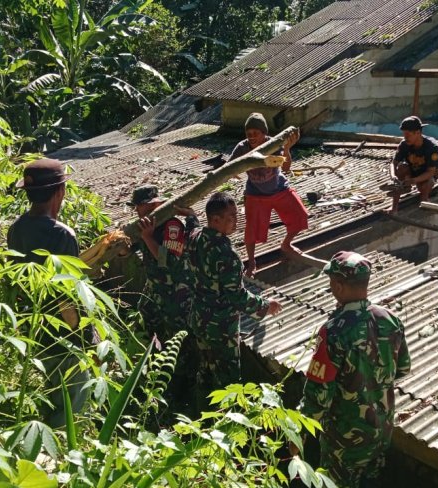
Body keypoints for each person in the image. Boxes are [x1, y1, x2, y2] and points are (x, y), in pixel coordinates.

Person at [298, 251, 411, 487]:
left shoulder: (334, 331)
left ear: (338, 285)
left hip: (345, 439)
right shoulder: (390, 320)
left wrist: (297, 432)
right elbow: (402, 369)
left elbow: (318, 396)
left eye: (331, 282)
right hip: (381, 430)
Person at [7, 158, 91, 428]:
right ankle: (60, 461)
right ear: (60, 192)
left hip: (34, 329)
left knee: (50, 394)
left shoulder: (16, 229)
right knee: (71, 408)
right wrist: (82, 334)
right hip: (64, 334)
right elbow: (66, 293)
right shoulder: (63, 235)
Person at [186, 192, 283, 400]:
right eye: (230, 217)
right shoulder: (226, 255)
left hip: (199, 320)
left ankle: (198, 416)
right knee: (228, 382)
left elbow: (192, 227)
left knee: (205, 370)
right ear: (215, 220)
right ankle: (226, 423)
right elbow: (237, 297)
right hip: (221, 328)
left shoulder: (195, 239)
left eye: (236, 216)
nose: (236, 222)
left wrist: (190, 216)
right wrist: (266, 305)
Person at [228, 112, 307, 277]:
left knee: (300, 216)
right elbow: (229, 167)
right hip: (255, 194)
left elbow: (285, 168)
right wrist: (233, 171)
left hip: (279, 189)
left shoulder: (274, 144)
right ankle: (251, 263)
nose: (252, 137)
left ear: (264, 133)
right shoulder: (242, 148)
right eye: (249, 134)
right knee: (251, 231)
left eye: (255, 133)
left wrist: (286, 149)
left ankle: (286, 244)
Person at [130, 185, 199, 341]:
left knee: (176, 336)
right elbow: (129, 248)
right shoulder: (145, 224)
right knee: (149, 322)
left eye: (140, 206)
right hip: (154, 288)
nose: (137, 211)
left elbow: (167, 261)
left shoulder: (172, 227)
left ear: (154, 205)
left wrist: (148, 238)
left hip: (175, 293)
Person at [386, 116, 438, 213]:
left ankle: (425, 202)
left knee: (425, 186)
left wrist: (414, 180)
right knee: (401, 169)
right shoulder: (404, 144)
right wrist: (393, 175)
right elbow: (393, 163)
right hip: (412, 171)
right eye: (404, 134)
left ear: (418, 132)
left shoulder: (432, 147)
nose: (405, 137)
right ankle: (394, 208)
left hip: (426, 175)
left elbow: (431, 172)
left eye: (408, 134)